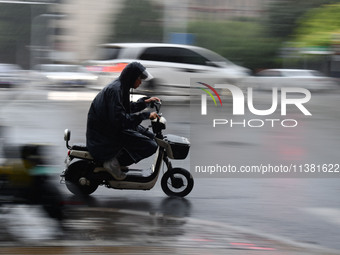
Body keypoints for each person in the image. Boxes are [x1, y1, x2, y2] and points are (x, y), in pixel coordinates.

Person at [86, 62, 160, 180]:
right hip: (103, 137)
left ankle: (118, 161)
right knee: (150, 146)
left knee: (150, 136)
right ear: (132, 77)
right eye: (139, 79)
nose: (140, 82)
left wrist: (144, 103)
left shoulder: (121, 87)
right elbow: (121, 120)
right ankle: (112, 162)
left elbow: (124, 109)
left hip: (110, 128)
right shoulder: (115, 90)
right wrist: (145, 115)